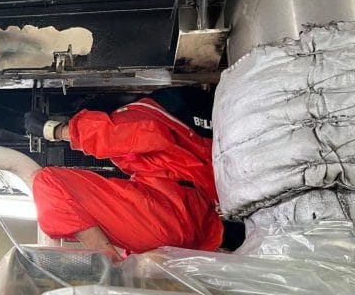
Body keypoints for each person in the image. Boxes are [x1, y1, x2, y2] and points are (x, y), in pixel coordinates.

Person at [25, 87, 230, 262]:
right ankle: (112, 263)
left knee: (47, 182)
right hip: (185, 212)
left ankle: (110, 264)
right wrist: (51, 129)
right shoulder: (162, 113)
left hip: (179, 216)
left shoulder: (135, 115)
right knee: (48, 184)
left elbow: (110, 133)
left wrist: (57, 131)